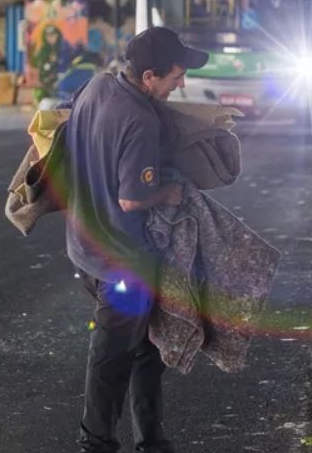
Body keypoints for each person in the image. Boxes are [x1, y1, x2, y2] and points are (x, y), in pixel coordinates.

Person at [63, 26, 208, 453]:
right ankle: (97, 442)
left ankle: (152, 439)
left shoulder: (96, 87)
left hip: (84, 245)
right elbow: (132, 198)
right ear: (149, 77)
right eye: (176, 76)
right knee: (116, 354)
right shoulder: (140, 120)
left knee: (145, 344)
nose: (181, 84)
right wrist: (169, 192)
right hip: (122, 261)